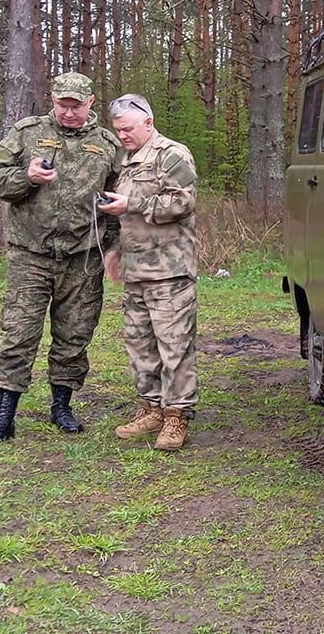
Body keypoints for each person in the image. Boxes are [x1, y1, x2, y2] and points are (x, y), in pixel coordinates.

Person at [0, 71, 123, 444]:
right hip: (31, 254)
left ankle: (62, 407)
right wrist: (26, 177)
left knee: (74, 335)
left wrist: (113, 247)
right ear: (54, 101)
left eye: (76, 106)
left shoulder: (108, 144)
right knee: (19, 333)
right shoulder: (27, 133)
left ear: (90, 103)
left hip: (82, 258)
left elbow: (117, 197)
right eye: (62, 105)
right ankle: (4, 416)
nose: (69, 113)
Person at [98, 94, 199, 452]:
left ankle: (176, 416)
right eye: (118, 129)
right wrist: (116, 251)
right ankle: (151, 409)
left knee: (175, 346)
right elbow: (126, 217)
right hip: (137, 270)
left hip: (170, 271)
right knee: (140, 345)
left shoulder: (172, 154)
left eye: (127, 128)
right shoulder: (128, 161)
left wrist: (134, 203)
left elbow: (183, 202)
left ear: (148, 122)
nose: (122, 135)